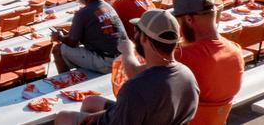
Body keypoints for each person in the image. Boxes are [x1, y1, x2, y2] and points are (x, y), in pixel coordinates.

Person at [55, 10, 198, 125]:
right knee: (91, 102)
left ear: (144, 39)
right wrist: (107, 114)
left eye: (137, 30)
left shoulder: (135, 87)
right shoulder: (188, 75)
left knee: (64, 117)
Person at [167, 0, 243, 124]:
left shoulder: (182, 56)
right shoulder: (235, 50)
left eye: (177, 20)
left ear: (189, 19)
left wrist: (128, 52)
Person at [50, 0, 125, 74]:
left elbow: (72, 43)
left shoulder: (82, 13)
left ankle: (65, 80)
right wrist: (69, 34)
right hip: (123, 57)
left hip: (107, 62)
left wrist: (59, 37)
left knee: (58, 49)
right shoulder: (108, 7)